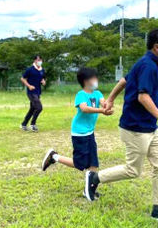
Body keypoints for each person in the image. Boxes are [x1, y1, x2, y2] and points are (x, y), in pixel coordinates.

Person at [83, 29, 158, 223]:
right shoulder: (148, 66)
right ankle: (94, 178)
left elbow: (124, 80)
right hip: (135, 128)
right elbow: (143, 96)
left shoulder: (146, 62)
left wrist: (111, 99)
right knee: (133, 170)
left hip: (149, 127)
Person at [41, 68, 113, 198]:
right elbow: (84, 108)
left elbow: (104, 103)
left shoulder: (98, 94)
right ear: (86, 81)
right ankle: (54, 157)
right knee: (80, 164)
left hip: (90, 133)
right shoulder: (81, 95)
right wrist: (102, 111)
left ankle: (89, 190)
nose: (97, 80)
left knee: (93, 163)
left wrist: (107, 107)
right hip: (79, 134)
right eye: (94, 78)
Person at [20, 55, 46, 132]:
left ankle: (23, 124)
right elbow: (22, 78)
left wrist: (44, 82)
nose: (39, 61)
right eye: (38, 60)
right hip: (31, 92)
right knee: (39, 108)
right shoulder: (30, 69)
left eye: (41, 60)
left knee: (32, 109)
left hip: (38, 92)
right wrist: (29, 86)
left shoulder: (42, 70)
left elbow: (43, 79)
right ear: (34, 60)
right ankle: (32, 124)